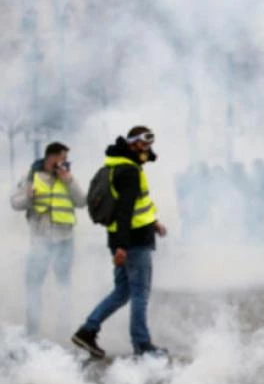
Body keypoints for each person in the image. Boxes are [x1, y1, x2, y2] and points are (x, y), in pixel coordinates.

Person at [71, 126, 168, 358]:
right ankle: (142, 345)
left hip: (122, 238)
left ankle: (87, 331)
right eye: (143, 145)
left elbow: (135, 206)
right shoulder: (129, 171)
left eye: (149, 145)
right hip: (133, 241)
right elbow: (125, 211)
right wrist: (123, 247)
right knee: (139, 295)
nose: (147, 150)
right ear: (132, 144)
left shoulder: (117, 164)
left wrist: (153, 222)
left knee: (122, 292)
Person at [9, 142, 86, 336]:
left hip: (65, 240)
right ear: (50, 157)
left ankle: (64, 328)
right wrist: (28, 197)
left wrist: (68, 181)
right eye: (62, 158)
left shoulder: (67, 178)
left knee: (64, 286)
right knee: (33, 284)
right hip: (40, 241)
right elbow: (15, 203)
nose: (65, 162)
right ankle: (32, 328)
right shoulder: (31, 176)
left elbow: (82, 201)